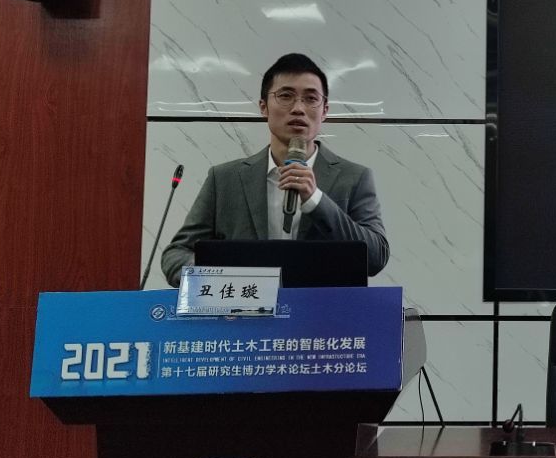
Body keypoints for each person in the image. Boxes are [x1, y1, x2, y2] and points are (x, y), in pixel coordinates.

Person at [162, 52, 389, 285]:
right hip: (244, 307)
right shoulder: (224, 180)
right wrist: (221, 279)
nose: (298, 108)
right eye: (286, 96)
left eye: (311, 98)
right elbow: (176, 255)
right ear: (264, 107)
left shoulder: (354, 178)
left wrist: (316, 200)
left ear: (325, 111)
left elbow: (376, 257)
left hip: (322, 308)